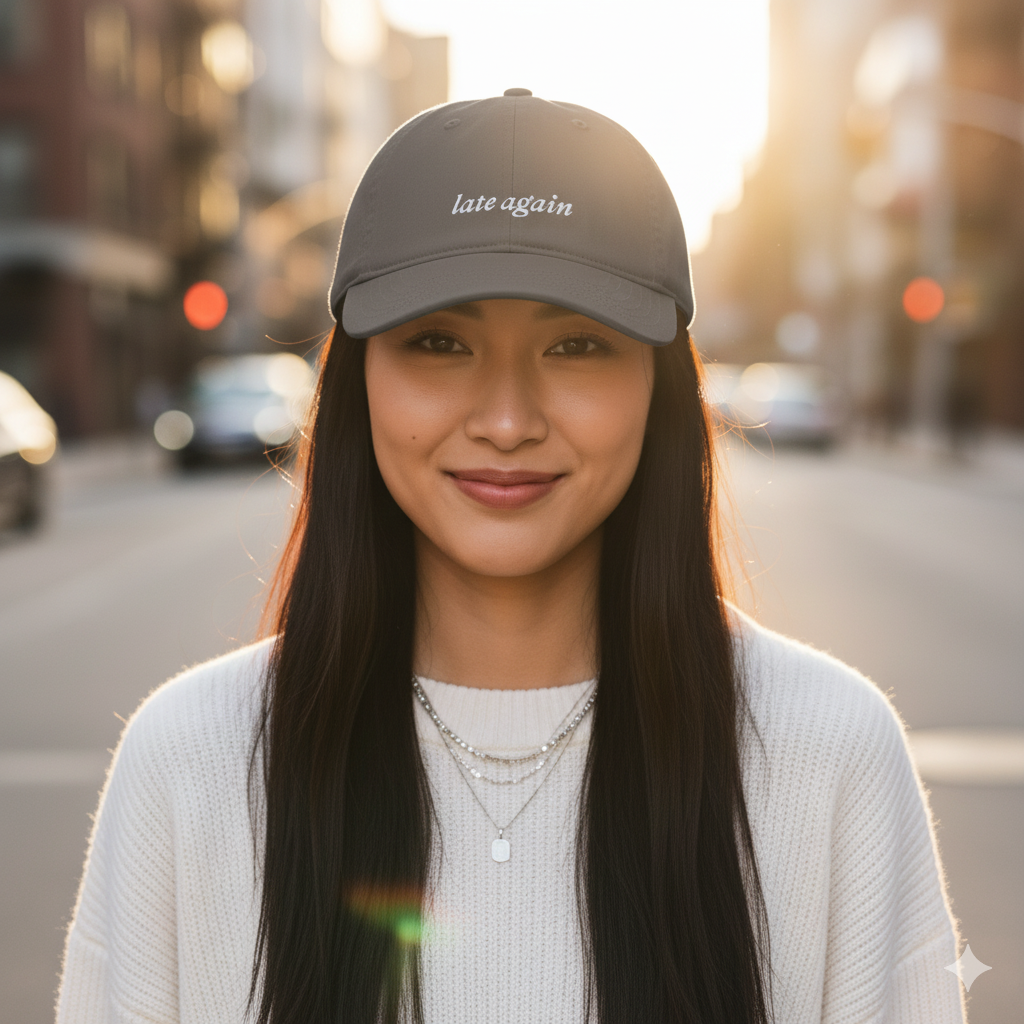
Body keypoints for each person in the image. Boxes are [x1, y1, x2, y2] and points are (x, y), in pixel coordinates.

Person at [56, 90, 967, 1024]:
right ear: (355, 383)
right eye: (438, 342)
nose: (505, 420)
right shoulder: (190, 760)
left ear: (659, 392)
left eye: (576, 345)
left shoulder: (831, 752)